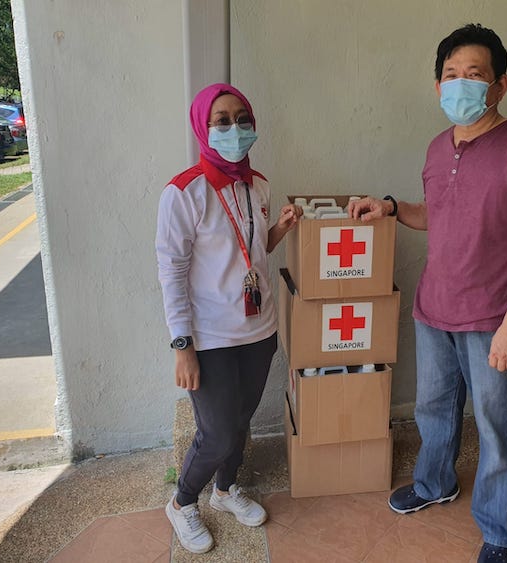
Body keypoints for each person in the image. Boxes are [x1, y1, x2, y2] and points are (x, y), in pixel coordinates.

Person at [349, 23, 507, 563]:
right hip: (434, 308)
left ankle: (498, 531)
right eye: (450, 75)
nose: (460, 84)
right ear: (437, 84)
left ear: (500, 85)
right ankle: (433, 483)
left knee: (497, 424)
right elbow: (440, 214)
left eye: (474, 75)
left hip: (494, 315)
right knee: (433, 408)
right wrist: (393, 209)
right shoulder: (436, 146)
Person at [156, 83, 301, 554]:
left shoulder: (256, 184)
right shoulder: (183, 193)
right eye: (222, 120)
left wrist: (278, 228)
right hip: (211, 337)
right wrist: (183, 346)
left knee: (240, 421)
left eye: (242, 118)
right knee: (215, 430)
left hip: (259, 331)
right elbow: (172, 273)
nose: (234, 128)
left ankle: (224, 490)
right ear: (203, 126)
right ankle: (182, 502)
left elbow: (254, 256)